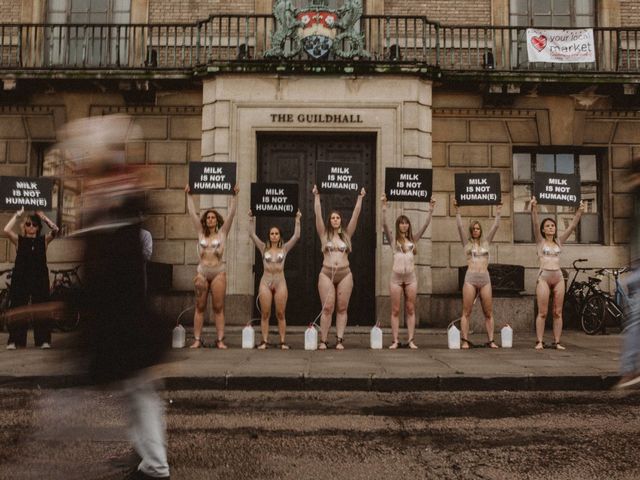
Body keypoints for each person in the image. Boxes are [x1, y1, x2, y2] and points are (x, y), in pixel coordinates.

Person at [60, 114, 171, 479]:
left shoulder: (113, 212)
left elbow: (107, 275)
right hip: (124, 321)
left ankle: (154, 466)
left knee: (139, 393)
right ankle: (146, 458)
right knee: (137, 394)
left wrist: (74, 302)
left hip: (127, 322)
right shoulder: (109, 204)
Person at [312, 184, 365, 350]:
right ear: (330, 221)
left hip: (345, 274)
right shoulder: (323, 234)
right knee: (327, 308)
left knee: (342, 308)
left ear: (341, 220)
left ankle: (340, 339)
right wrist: (316, 196)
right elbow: (318, 215)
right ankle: (324, 340)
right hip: (326, 273)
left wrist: (360, 198)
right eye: (333, 218)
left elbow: (356, 215)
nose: (335, 220)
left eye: (337, 218)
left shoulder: (347, 235)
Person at [186, 183, 238, 349]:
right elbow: (192, 214)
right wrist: (189, 196)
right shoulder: (200, 232)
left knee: (218, 306)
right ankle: (197, 339)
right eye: (208, 217)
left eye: (213, 217)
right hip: (202, 272)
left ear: (216, 220)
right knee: (200, 306)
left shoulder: (222, 233)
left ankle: (220, 340)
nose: (210, 219)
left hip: (218, 272)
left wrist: (234, 196)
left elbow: (231, 215)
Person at [381, 194, 435, 349]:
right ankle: (395, 340)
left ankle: (411, 339)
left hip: (411, 278)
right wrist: (384, 207)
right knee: (396, 309)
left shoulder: (413, 240)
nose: (404, 226)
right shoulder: (393, 240)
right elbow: (384, 224)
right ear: (398, 225)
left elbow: (425, 226)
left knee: (411, 308)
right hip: (396, 279)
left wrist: (430, 210)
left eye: (406, 223)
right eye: (401, 223)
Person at [531, 196, 584, 350]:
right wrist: (534, 208)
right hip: (544, 277)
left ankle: (557, 341)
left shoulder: (559, 241)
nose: (550, 228)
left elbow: (572, 226)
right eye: (547, 226)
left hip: (558, 277)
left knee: (558, 311)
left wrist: (579, 211)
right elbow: (534, 223)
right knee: (542, 312)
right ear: (543, 229)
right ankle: (539, 341)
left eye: (553, 225)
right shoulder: (540, 242)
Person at [3, 207, 58, 350]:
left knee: (41, 307)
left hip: (39, 278)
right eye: (28, 224)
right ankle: (15, 341)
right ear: (24, 227)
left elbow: (56, 230)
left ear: (38, 227)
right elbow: (6, 230)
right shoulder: (19, 240)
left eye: (34, 224)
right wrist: (17, 215)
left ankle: (43, 340)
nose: (31, 227)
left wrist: (44, 217)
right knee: (18, 306)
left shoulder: (43, 240)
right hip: (21, 277)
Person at [248, 209, 301, 349]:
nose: (274, 236)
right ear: (269, 235)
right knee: (265, 313)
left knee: (280, 313)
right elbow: (252, 235)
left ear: (280, 235)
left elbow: (296, 236)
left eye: (276, 233)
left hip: (280, 282)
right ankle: (264, 341)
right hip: (265, 282)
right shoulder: (263, 247)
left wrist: (297, 219)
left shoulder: (284, 248)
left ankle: (282, 341)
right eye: (272, 233)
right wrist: (251, 218)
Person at [454, 200, 502, 349]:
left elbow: (495, 226)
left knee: (488, 312)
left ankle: (491, 340)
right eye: (473, 229)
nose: (476, 230)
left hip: (485, 279)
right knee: (466, 311)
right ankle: (465, 340)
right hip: (471, 278)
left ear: (481, 230)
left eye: (478, 228)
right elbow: (459, 227)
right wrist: (457, 211)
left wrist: (498, 211)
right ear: (471, 231)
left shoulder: (486, 243)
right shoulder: (466, 244)